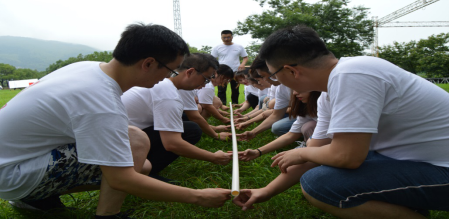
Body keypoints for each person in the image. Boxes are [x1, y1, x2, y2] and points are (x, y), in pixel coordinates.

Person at [0, 23, 231, 218]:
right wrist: (199, 195)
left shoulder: (86, 68)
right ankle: (108, 214)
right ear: (148, 63)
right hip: (12, 173)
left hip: (17, 159)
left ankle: (36, 198)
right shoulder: (100, 100)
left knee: (144, 165)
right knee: (137, 142)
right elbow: (121, 180)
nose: (168, 77)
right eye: (171, 71)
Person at [233, 24, 449, 218]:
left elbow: (346, 157)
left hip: (441, 168)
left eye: (273, 75)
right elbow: (319, 151)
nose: (275, 82)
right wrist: (266, 191)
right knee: (322, 175)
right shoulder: (330, 89)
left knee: (320, 184)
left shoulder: (352, 75)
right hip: (422, 163)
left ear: (291, 70)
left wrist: (300, 152)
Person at [121, 53, 233, 182]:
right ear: (190, 72)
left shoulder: (164, 83)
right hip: (124, 141)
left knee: (186, 124)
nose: (204, 85)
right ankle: (147, 172)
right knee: (192, 130)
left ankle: (144, 165)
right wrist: (214, 157)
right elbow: (172, 144)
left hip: (125, 133)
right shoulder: (169, 95)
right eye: (206, 79)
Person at [238, 90, 320, 161]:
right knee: (308, 127)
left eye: (301, 89)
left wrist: (302, 154)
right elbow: (291, 135)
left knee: (308, 129)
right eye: (294, 89)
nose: (295, 93)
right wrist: (258, 151)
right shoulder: (305, 105)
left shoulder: (325, 101)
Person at [211, 30, 248, 105]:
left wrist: (242, 64)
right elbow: (212, 59)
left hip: (235, 71)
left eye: (228, 37)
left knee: (235, 89)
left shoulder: (239, 47)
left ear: (232, 37)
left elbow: (245, 57)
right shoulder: (217, 47)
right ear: (221, 37)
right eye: (224, 37)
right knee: (221, 89)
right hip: (222, 72)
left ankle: (235, 103)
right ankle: (222, 104)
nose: (226, 39)